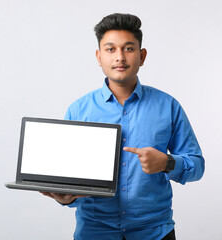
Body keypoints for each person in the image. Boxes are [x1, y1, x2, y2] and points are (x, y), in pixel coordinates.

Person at [40, 13, 205, 240]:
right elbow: (70, 179)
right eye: (110, 49)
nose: (120, 57)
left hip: (154, 232)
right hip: (95, 232)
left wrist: (166, 163)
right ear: (99, 57)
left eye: (128, 48)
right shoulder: (79, 111)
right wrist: (66, 197)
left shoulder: (168, 106)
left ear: (142, 55)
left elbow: (197, 166)